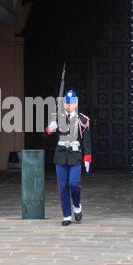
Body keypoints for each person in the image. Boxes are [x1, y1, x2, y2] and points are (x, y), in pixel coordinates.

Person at [46, 90, 92, 226]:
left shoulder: (82, 119)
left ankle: (77, 205)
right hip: (60, 155)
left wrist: (87, 158)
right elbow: (47, 134)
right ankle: (66, 215)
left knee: (74, 183)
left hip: (75, 155)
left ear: (75, 104)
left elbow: (87, 140)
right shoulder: (57, 117)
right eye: (66, 103)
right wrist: (50, 128)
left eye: (71, 103)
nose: (68, 105)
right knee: (63, 187)